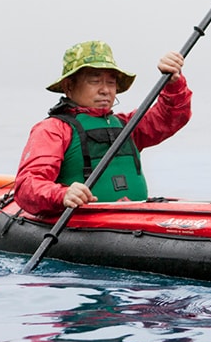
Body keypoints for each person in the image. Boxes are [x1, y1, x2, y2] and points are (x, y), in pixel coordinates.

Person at [14, 40, 192, 216]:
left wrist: (173, 82)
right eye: (95, 81)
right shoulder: (53, 129)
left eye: (111, 82)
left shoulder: (127, 125)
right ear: (69, 86)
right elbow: (27, 185)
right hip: (83, 227)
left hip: (136, 221)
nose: (105, 90)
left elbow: (172, 117)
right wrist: (62, 194)